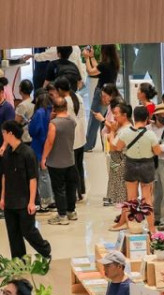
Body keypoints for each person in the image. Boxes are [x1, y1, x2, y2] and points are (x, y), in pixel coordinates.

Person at [0, 121, 51, 259]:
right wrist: (3, 198)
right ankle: (18, 261)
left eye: (4, 132)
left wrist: (31, 201)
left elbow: (33, 179)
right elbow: (4, 176)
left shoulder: (28, 154)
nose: (2, 135)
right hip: (10, 201)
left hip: (24, 201)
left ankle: (45, 250)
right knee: (13, 234)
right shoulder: (6, 154)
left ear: (11, 133)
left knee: (28, 231)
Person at [42, 98, 78, 226]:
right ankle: (71, 211)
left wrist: (44, 158)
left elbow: (50, 141)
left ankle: (61, 215)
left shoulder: (54, 123)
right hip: (70, 159)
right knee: (70, 187)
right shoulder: (72, 121)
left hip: (56, 162)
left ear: (54, 108)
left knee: (59, 189)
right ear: (66, 106)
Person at [82, 45, 119, 151]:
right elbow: (97, 68)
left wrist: (86, 58)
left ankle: (88, 145)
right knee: (103, 118)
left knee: (94, 119)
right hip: (110, 92)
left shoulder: (104, 65)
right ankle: (103, 143)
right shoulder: (113, 64)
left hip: (101, 93)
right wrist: (92, 57)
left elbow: (91, 71)